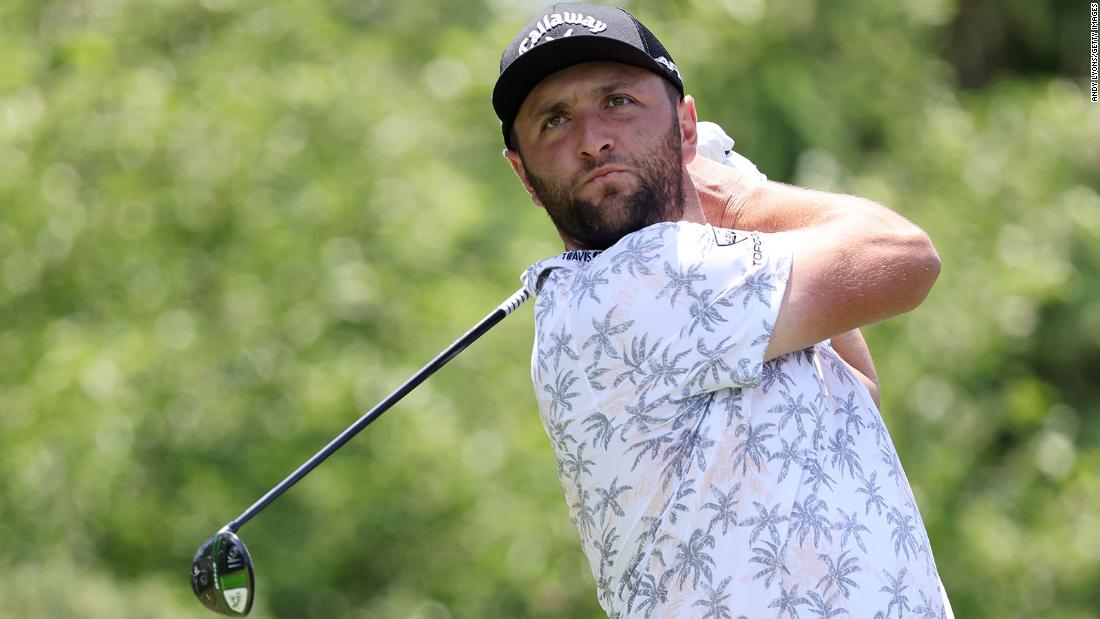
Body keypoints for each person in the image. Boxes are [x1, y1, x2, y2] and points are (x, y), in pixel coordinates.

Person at [492, 3, 953, 617]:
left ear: (685, 125)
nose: (593, 140)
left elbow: (855, 388)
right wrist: (739, 192)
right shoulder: (631, 285)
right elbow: (904, 256)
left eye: (618, 102)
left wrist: (723, 200)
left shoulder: (714, 293)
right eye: (554, 121)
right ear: (523, 174)